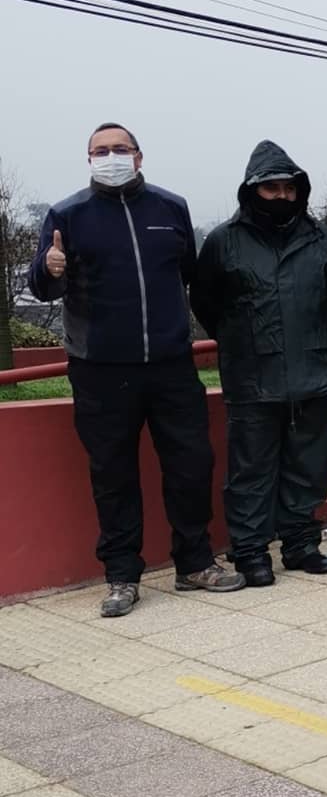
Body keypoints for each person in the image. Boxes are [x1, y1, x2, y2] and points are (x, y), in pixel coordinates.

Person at [27, 123, 245, 617]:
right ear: (88, 161)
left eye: (120, 149)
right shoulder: (67, 214)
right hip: (100, 370)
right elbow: (43, 286)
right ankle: (122, 576)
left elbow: (192, 278)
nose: (111, 157)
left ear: (140, 157)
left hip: (171, 364)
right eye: (100, 151)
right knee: (113, 475)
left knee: (191, 465)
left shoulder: (171, 208)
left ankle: (194, 563)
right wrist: (49, 267)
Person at [191, 141, 327, 587]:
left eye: (289, 188)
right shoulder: (223, 242)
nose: (282, 196)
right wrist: (239, 340)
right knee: (251, 470)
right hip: (253, 376)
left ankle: (301, 543)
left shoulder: (321, 237)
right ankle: (250, 552)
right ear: (252, 191)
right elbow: (206, 303)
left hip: (316, 369)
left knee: (309, 466)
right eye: (271, 188)